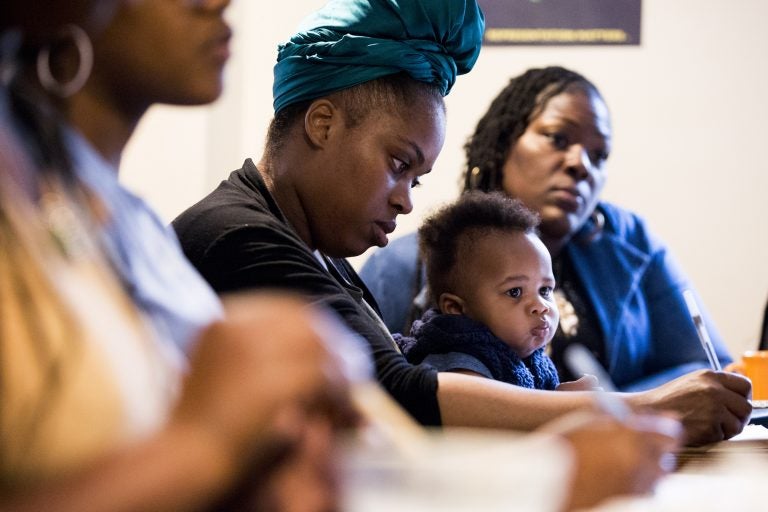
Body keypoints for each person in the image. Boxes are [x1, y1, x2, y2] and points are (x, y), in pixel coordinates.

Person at [1, 1, 358, 510]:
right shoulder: (233, 229)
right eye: (398, 162)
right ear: (321, 126)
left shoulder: (117, 215)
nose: (218, 3)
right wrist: (204, 447)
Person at [360, 65, 735, 393]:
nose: (580, 165)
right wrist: (610, 410)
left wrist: (617, 408)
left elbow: (708, 367)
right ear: (503, 143)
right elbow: (364, 392)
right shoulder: (405, 264)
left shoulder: (632, 241)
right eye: (558, 138)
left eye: (598, 155)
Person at [396, 191, 569, 391]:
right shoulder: (460, 367)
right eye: (515, 292)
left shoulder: (522, 355)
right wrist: (570, 405)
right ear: (456, 308)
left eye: (545, 290)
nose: (541, 306)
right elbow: (503, 416)